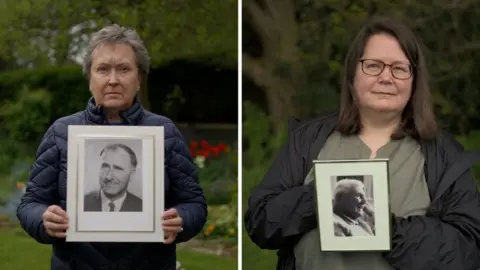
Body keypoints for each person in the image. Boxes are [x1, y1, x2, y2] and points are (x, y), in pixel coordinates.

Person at [244, 16, 480, 270]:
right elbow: (260, 222)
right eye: (373, 65)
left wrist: (388, 230)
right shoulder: (308, 140)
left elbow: (469, 248)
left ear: (414, 81)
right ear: (352, 77)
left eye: (399, 68)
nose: (386, 77)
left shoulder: (442, 155)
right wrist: (323, 198)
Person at [16, 24, 207, 270]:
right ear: (89, 78)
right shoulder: (61, 132)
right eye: (103, 69)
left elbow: (195, 204)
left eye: (124, 69)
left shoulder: (165, 132)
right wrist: (43, 219)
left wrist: (181, 220)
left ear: (139, 78)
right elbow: (30, 203)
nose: (113, 80)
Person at [84, 143, 143, 212]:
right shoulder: (82, 203)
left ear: (132, 174)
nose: (109, 176)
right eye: (105, 166)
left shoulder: (142, 208)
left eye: (118, 168)